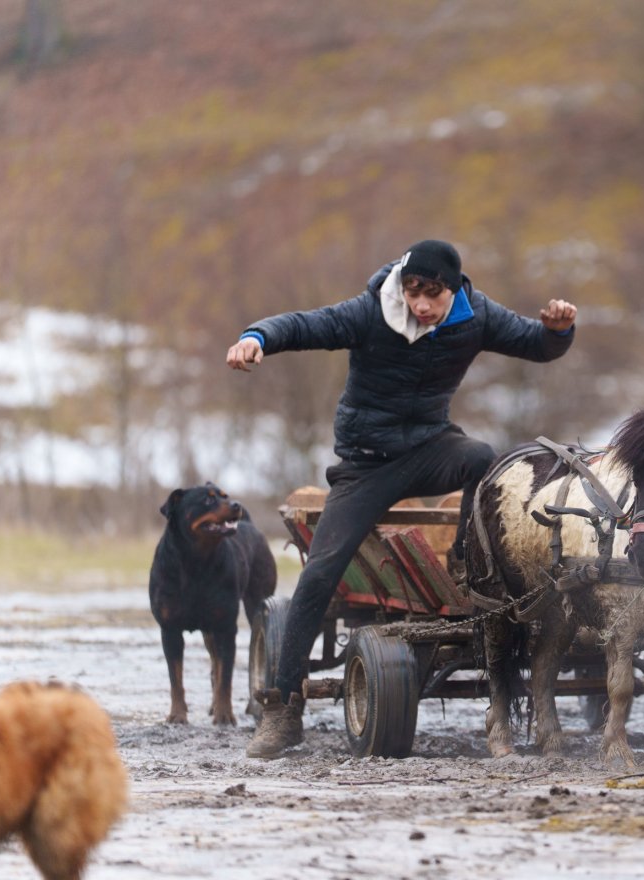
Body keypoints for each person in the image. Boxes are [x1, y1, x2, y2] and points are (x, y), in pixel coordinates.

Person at [228, 239, 577, 758]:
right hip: (366, 463)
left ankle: (467, 560)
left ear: (453, 290)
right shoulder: (370, 312)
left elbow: (538, 345)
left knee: (482, 456)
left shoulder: (475, 315)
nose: (420, 305)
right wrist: (256, 336)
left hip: (432, 448)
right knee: (320, 574)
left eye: (431, 295)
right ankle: (284, 711)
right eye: (413, 292)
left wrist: (557, 329)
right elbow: (303, 325)